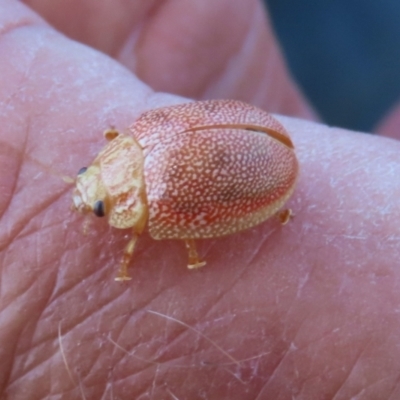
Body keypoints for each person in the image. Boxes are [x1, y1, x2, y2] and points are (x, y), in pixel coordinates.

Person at [1, 0, 400, 398]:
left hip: (261, 158)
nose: (86, 198)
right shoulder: (139, 135)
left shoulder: (156, 205)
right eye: (94, 193)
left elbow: (202, 221)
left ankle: (276, 205)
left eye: (97, 202)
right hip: (250, 133)